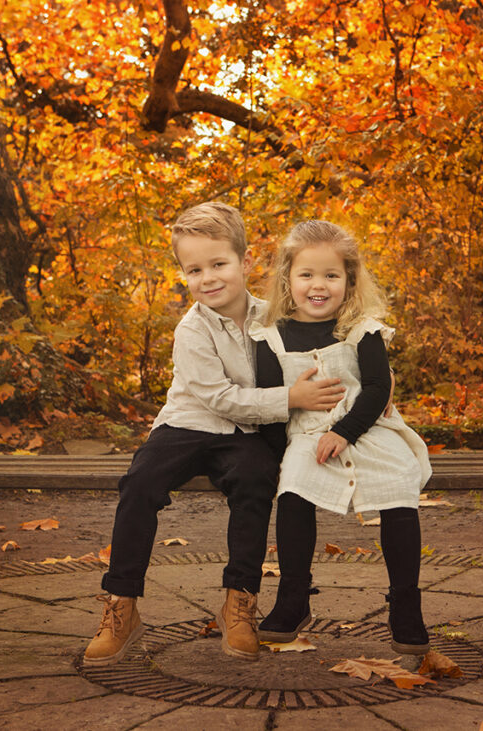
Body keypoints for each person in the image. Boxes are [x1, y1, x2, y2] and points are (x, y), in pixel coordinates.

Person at [84, 202, 345, 667]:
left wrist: (369, 390)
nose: (208, 278)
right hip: (187, 424)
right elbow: (221, 399)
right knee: (140, 483)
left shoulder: (277, 318)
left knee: (256, 479)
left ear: (244, 262)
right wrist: (290, 399)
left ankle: (239, 601)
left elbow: (329, 356)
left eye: (218, 264)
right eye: (194, 270)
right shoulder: (192, 329)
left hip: (246, 432)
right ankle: (121, 605)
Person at [252, 219, 433, 655]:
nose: (319, 285)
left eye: (331, 275)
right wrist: (273, 457)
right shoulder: (271, 337)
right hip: (306, 434)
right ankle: (293, 596)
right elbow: (272, 401)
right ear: (287, 278)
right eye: (307, 275)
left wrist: (345, 431)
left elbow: (375, 389)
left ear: (349, 280)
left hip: (366, 429)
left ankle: (405, 601)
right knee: (293, 488)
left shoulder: (362, 329)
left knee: (399, 487)